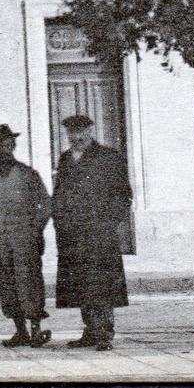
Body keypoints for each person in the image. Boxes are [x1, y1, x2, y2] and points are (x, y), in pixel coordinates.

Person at [53, 113, 133, 351]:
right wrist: (59, 220)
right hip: (73, 233)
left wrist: (109, 222)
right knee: (80, 283)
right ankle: (90, 330)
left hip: (99, 233)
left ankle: (105, 333)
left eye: (81, 132)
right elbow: (60, 193)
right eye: (71, 133)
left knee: (101, 283)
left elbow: (123, 195)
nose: (76, 137)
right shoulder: (66, 159)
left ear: (90, 132)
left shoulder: (108, 157)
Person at [0, 123, 52, 348]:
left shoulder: (27, 174)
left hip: (24, 239)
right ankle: (20, 331)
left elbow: (45, 205)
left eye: (8, 144)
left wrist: (34, 230)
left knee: (29, 283)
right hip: (0, 241)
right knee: (7, 284)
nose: (5, 149)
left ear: (13, 145)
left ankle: (36, 329)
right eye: (0, 146)